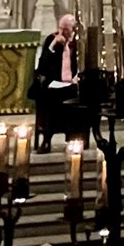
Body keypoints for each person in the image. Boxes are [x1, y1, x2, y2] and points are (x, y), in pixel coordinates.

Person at [31, 13, 82, 152]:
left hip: (71, 85)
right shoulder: (51, 40)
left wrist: (77, 76)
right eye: (61, 28)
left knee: (74, 100)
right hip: (54, 84)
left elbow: (83, 64)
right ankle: (47, 139)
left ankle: (73, 138)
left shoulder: (79, 43)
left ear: (73, 29)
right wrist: (52, 46)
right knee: (49, 99)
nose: (62, 32)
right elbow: (42, 66)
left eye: (66, 29)